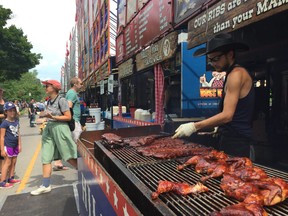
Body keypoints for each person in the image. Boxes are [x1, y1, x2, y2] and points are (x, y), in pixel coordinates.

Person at [173, 33, 254, 159]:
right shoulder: (230, 74)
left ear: (230, 54)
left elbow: (227, 115)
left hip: (237, 142)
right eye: (210, 60)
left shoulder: (236, 74)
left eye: (216, 59)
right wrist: (218, 126)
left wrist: (194, 126)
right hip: (229, 138)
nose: (212, 63)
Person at [30, 80, 77, 195]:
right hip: (49, 128)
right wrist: (44, 117)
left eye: (47, 86)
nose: (45, 87)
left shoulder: (62, 100)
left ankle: (87, 174)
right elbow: (50, 116)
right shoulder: (49, 102)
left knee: (69, 155)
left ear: (55, 87)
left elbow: (68, 117)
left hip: (60, 128)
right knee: (46, 156)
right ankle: (45, 185)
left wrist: (52, 116)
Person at [53, 77, 83, 171]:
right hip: (73, 121)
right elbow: (69, 106)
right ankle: (80, 163)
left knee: (75, 141)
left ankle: (60, 162)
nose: (81, 85)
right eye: (80, 83)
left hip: (74, 120)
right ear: (75, 84)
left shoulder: (72, 93)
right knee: (78, 142)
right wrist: (71, 122)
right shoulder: (72, 93)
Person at [0, 102, 22, 188]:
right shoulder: (4, 123)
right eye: (10, 111)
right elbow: (1, 137)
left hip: (15, 145)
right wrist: (2, 149)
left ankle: (11, 177)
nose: (12, 112)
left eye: (13, 110)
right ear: (6, 112)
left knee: (14, 161)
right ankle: (2, 181)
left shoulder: (16, 121)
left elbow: (18, 134)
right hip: (8, 145)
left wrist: (19, 144)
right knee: (7, 162)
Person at [0, 87, 5, 174]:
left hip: (6, 127)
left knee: (6, 148)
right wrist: (5, 115)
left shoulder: (5, 101)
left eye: (1, 91)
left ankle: (4, 169)